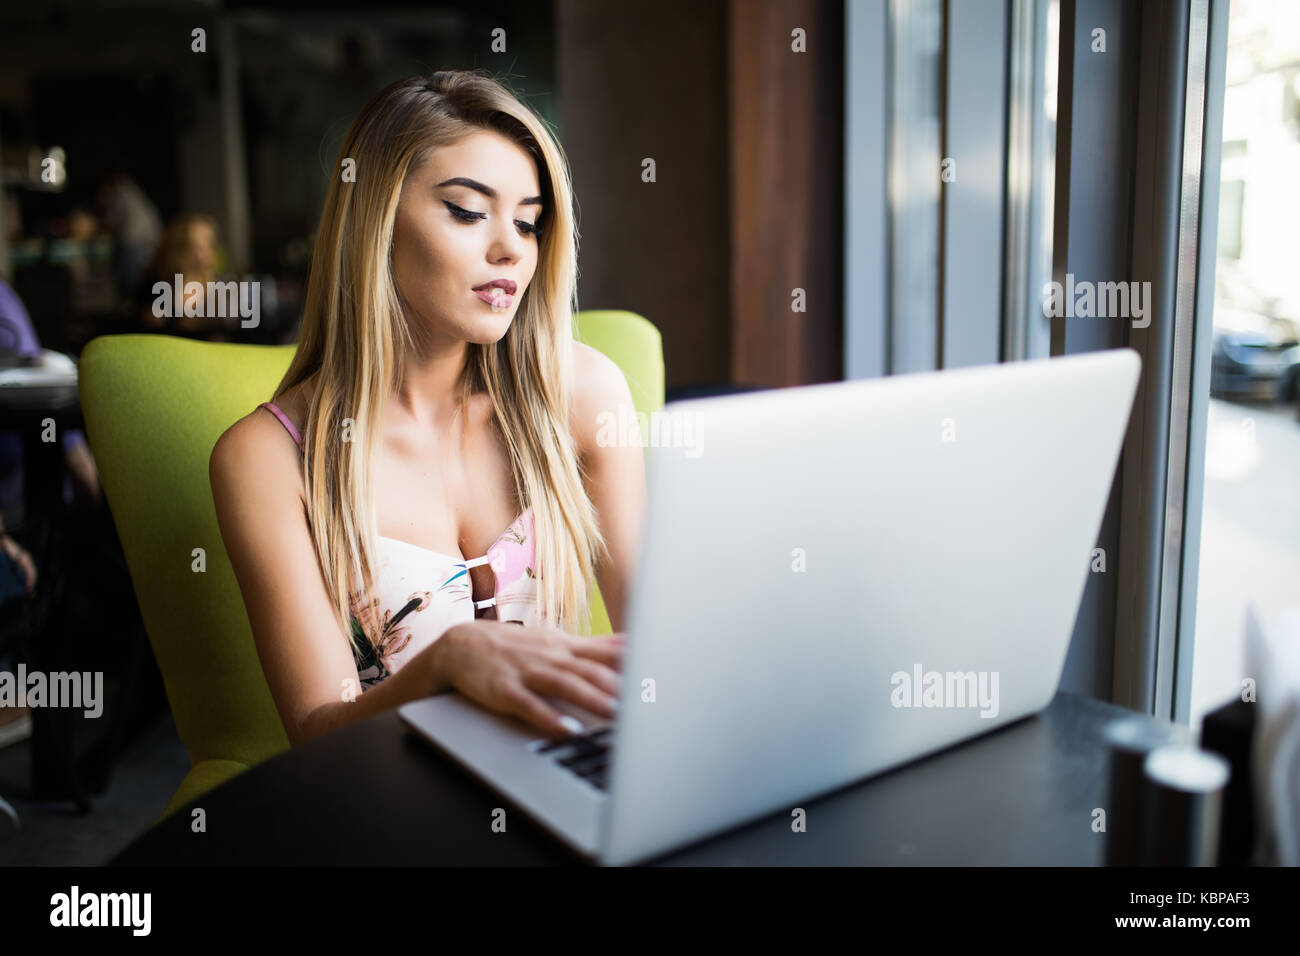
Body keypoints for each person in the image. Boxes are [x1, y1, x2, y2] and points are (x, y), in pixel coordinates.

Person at [210, 70, 646, 748]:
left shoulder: (584, 396)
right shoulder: (266, 460)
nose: (510, 248)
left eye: (529, 222)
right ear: (377, 222)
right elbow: (318, 737)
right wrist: (447, 663)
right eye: (469, 211)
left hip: (562, 770)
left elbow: (654, 653)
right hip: (394, 802)